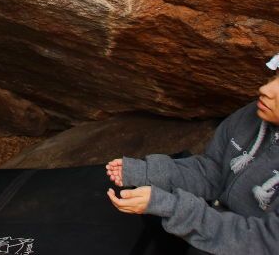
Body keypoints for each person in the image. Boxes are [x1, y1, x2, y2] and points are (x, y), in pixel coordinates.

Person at [105, 54, 279, 254]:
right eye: (274, 77)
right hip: (214, 232)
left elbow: (262, 242)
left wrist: (171, 207)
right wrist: (147, 172)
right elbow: (213, 172)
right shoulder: (251, 116)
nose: (264, 89)